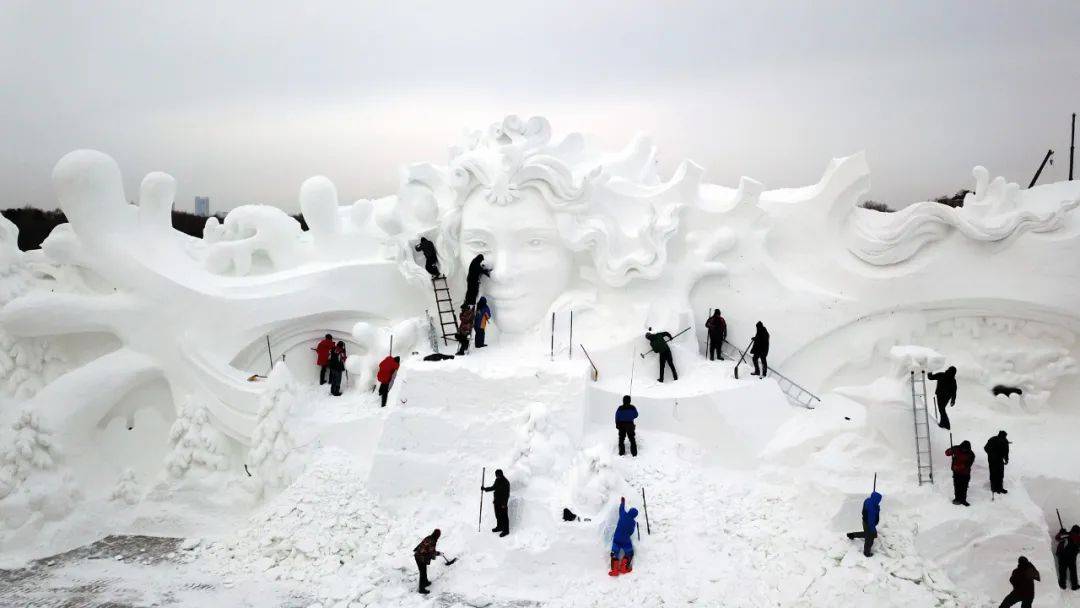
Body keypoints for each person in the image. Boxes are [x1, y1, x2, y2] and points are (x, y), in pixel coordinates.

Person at [846, 491, 882, 557]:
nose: (880, 501)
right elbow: (871, 520)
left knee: (867, 533)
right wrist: (873, 530)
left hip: (865, 522)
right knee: (869, 538)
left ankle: (852, 535)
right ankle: (866, 553)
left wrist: (876, 507)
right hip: (869, 524)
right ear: (877, 499)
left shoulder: (868, 500)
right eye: (879, 500)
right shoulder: (872, 508)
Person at [609, 497, 639, 576]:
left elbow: (621, 508)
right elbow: (631, 532)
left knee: (614, 553)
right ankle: (624, 568)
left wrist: (623, 501)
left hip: (617, 538)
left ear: (629, 511)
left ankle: (614, 570)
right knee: (629, 553)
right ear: (635, 516)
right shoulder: (633, 523)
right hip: (625, 541)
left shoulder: (623, 514)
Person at [945, 440, 975, 506]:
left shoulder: (971, 454)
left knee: (964, 486)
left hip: (965, 473)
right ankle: (957, 499)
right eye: (963, 448)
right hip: (956, 472)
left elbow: (968, 464)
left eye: (966, 449)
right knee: (957, 486)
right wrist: (950, 451)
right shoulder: (956, 448)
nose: (964, 450)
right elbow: (947, 453)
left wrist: (959, 467)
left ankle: (963, 500)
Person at [413, 529, 443, 595]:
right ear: (437, 535)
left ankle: (425, 582)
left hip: (419, 555)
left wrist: (416, 549)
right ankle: (421, 589)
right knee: (422, 572)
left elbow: (422, 544)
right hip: (420, 557)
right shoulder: (433, 541)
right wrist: (438, 553)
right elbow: (432, 552)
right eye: (439, 535)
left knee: (424, 570)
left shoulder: (429, 537)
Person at [927, 365, 957, 430]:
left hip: (941, 396)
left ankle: (945, 425)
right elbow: (954, 392)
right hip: (945, 397)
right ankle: (944, 424)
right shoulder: (952, 379)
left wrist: (929, 370)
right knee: (942, 409)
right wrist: (952, 401)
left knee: (941, 409)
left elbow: (930, 377)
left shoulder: (942, 375)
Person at [482, 469, 511, 537]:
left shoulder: (506, 482)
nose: (497, 476)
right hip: (497, 501)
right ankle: (499, 527)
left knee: (504, 517)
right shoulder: (497, 480)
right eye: (496, 475)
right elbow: (493, 487)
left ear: (501, 474)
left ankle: (506, 530)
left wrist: (504, 504)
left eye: (498, 475)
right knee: (498, 515)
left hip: (503, 503)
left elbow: (507, 494)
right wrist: (485, 489)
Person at [1055, 524, 1080, 590]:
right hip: (1072, 556)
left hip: (1062, 555)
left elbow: (1057, 538)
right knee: (1073, 571)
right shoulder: (1078, 537)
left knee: (1062, 570)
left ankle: (1062, 585)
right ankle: (1074, 586)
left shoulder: (1067, 534)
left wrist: (1061, 532)